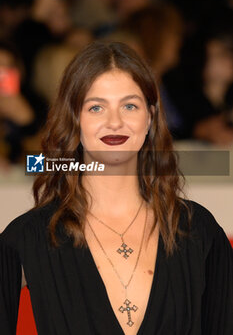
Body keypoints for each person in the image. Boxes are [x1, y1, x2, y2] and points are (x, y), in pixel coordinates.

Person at [0, 41, 232, 335]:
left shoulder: (199, 231)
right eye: (96, 107)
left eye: (129, 106)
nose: (114, 122)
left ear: (149, 117)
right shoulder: (26, 237)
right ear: (74, 118)